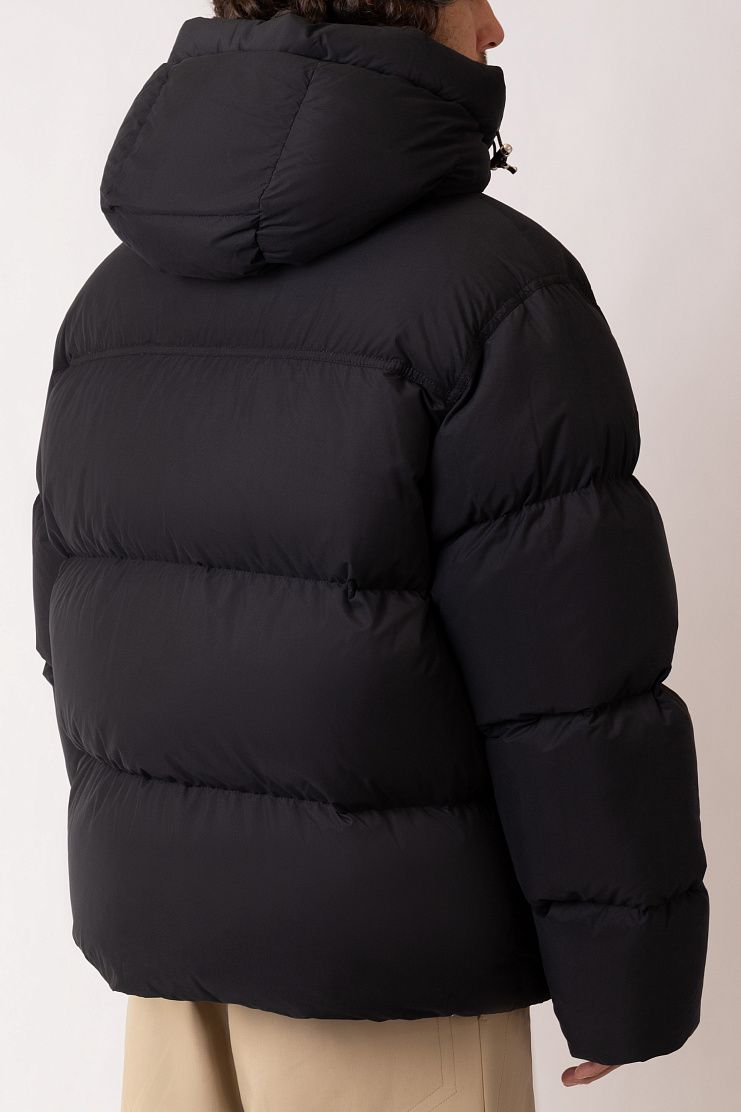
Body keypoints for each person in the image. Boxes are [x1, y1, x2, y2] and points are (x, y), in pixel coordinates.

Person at [31, 1, 709, 1109]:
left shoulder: (112, 305)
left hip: (172, 971)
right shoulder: (495, 294)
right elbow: (570, 687)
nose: (494, 25)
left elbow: (73, 634)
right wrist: (626, 977)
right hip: (392, 983)